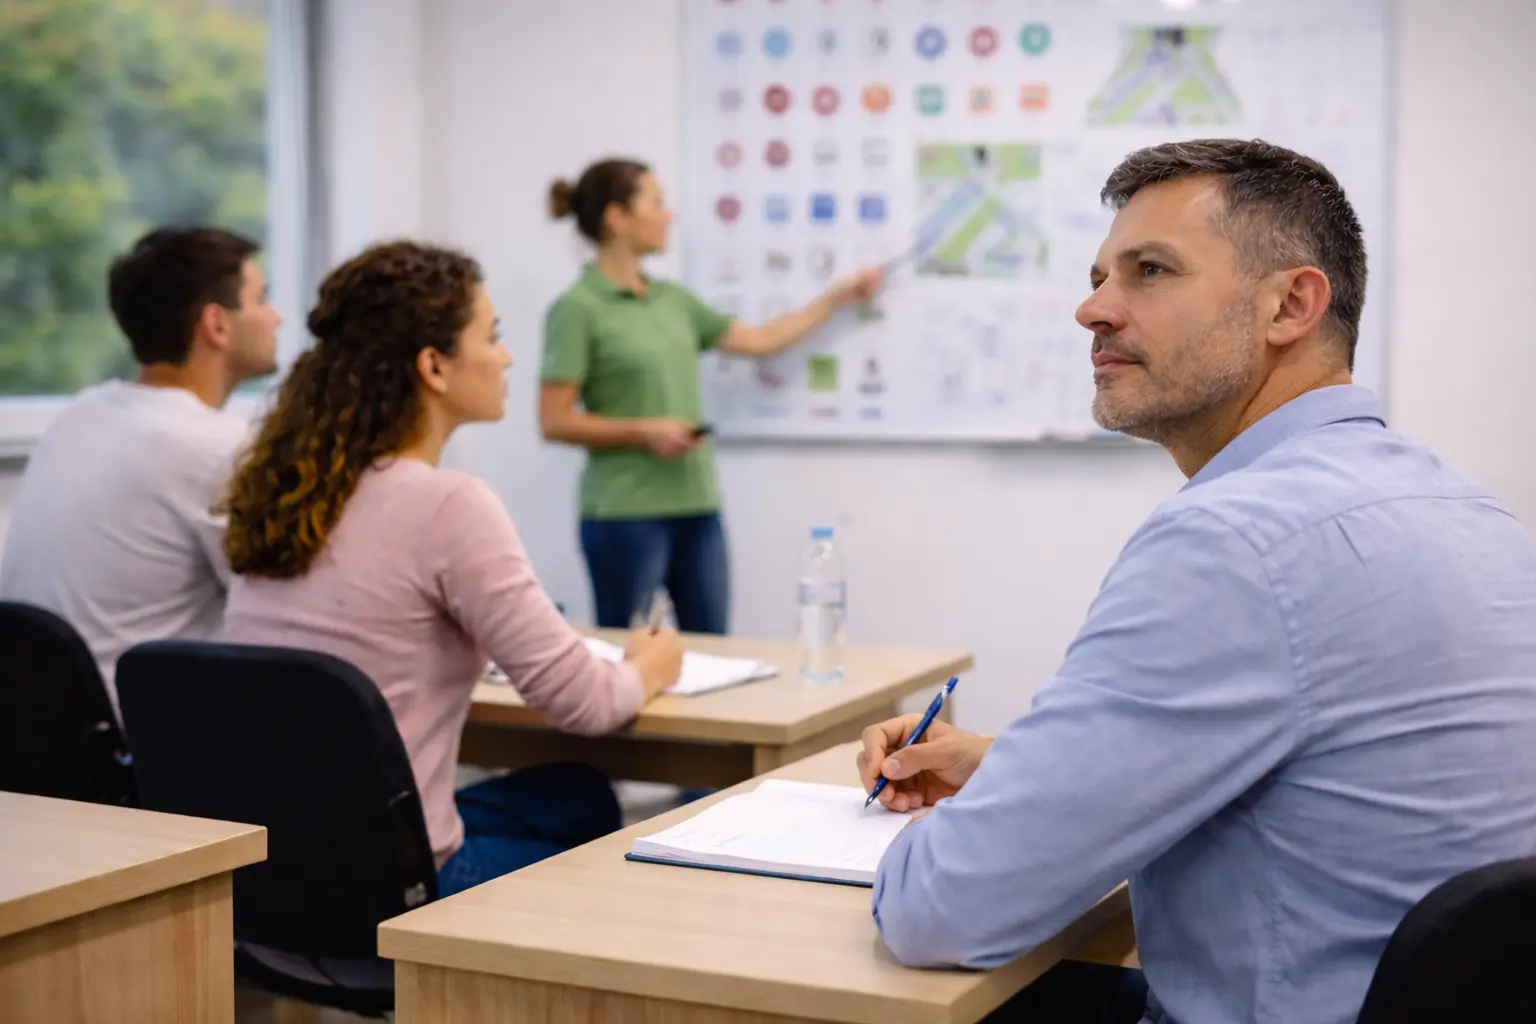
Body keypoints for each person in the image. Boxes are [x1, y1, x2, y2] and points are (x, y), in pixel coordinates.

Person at [858, 139, 1536, 1024]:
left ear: (1290, 304)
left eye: (1149, 271)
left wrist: (959, 839)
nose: (1091, 310)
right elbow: (1340, 786)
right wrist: (1010, 772)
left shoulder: (1234, 541)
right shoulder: (1466, 508)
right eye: (1100, 274)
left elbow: (940, 909)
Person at [218, 240, 685, 897]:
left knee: (576, 796)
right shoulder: (448, 505)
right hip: (394, 879)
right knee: (628, 873)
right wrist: (649, 665)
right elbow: (585, 702)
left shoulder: (285, 490)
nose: (507, 356)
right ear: (434, 366)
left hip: (272, 870)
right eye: (491, 336)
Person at [540, 158, 882, 635]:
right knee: (626, 661)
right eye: (656, 203)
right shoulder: (578, 308)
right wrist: (644, 431)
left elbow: (761, 341)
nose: (669, 215)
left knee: (715, 653)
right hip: (623, 516)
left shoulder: (673, 300)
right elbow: (553, 420)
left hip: (696, 506)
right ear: (617, 217)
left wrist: (837, 296)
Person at [0, 226, 280, 719]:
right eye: (261, 299)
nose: (275, 317)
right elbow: (282, 612)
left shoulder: (80, 415)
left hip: (44, 741)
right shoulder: (217, 448)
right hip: (143, 749)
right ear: (216, 324)